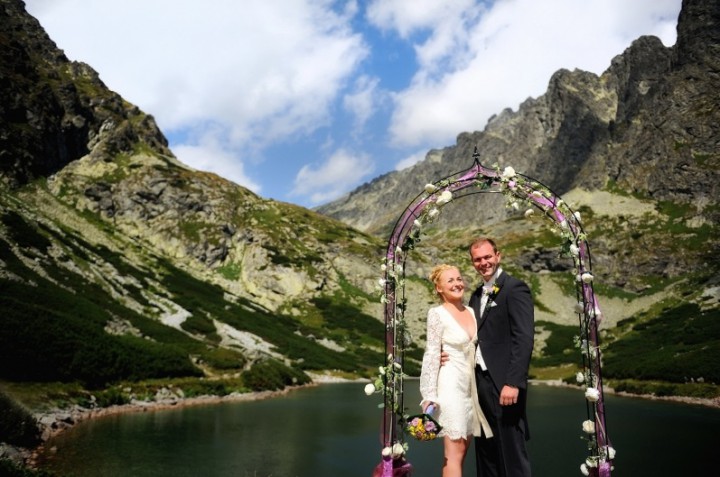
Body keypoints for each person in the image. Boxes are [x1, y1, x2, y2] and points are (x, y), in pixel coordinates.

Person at [467, 237, 534, 477]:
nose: (483, 263)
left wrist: (513, 382)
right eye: (478, 259)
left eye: (487, 257)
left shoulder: (515, 288)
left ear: (498, 256)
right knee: (486, 451)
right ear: (473, 263)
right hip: (480, 384)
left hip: (504, 384)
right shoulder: (476, 295)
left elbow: (524, 338)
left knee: (511, 452)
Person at [419, 264, 493, 477]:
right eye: (450, 280)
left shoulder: (471, 311)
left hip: (471, 387)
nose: (457, 283)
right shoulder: (437, 313)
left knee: (461, 451)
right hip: (450, 385)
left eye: (459, 279)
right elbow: (432, 353)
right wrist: (429, 395)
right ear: (439, 288)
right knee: (454, 453)